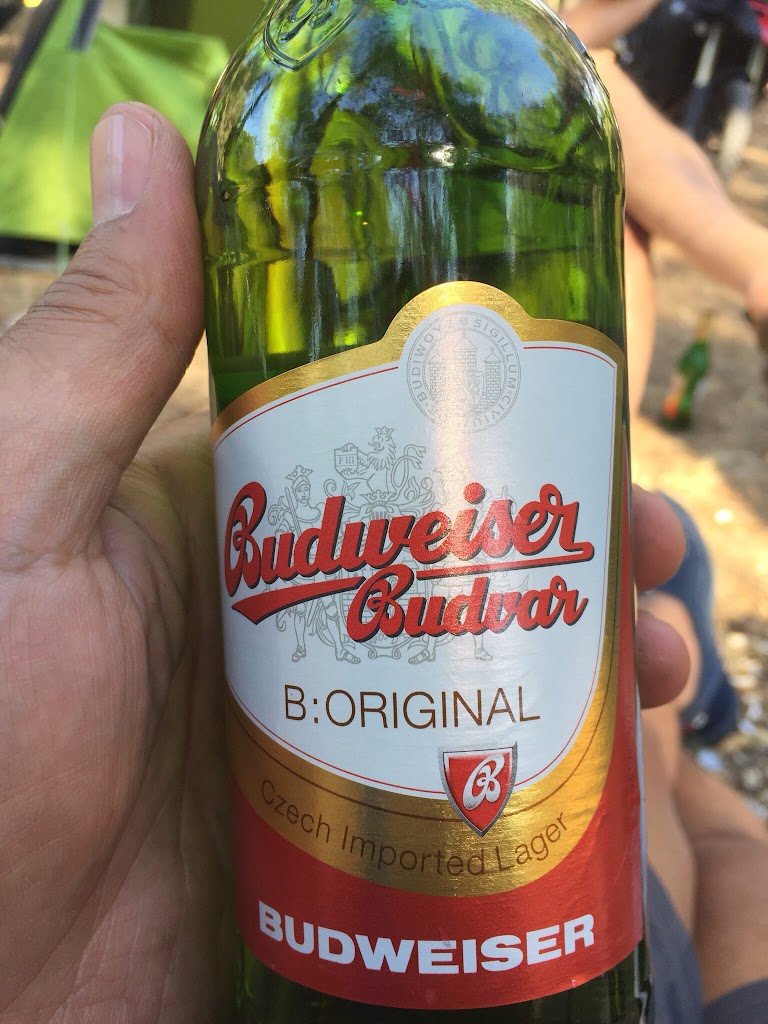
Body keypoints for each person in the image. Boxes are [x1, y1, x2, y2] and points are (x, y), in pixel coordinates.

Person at [0, 103, 766, 1022]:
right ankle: (690, 733)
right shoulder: (302, 96)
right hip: (436, 956)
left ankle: (685, 734)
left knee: (670, 715)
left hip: (544, 938)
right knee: (717, 818)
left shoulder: (344, 93)